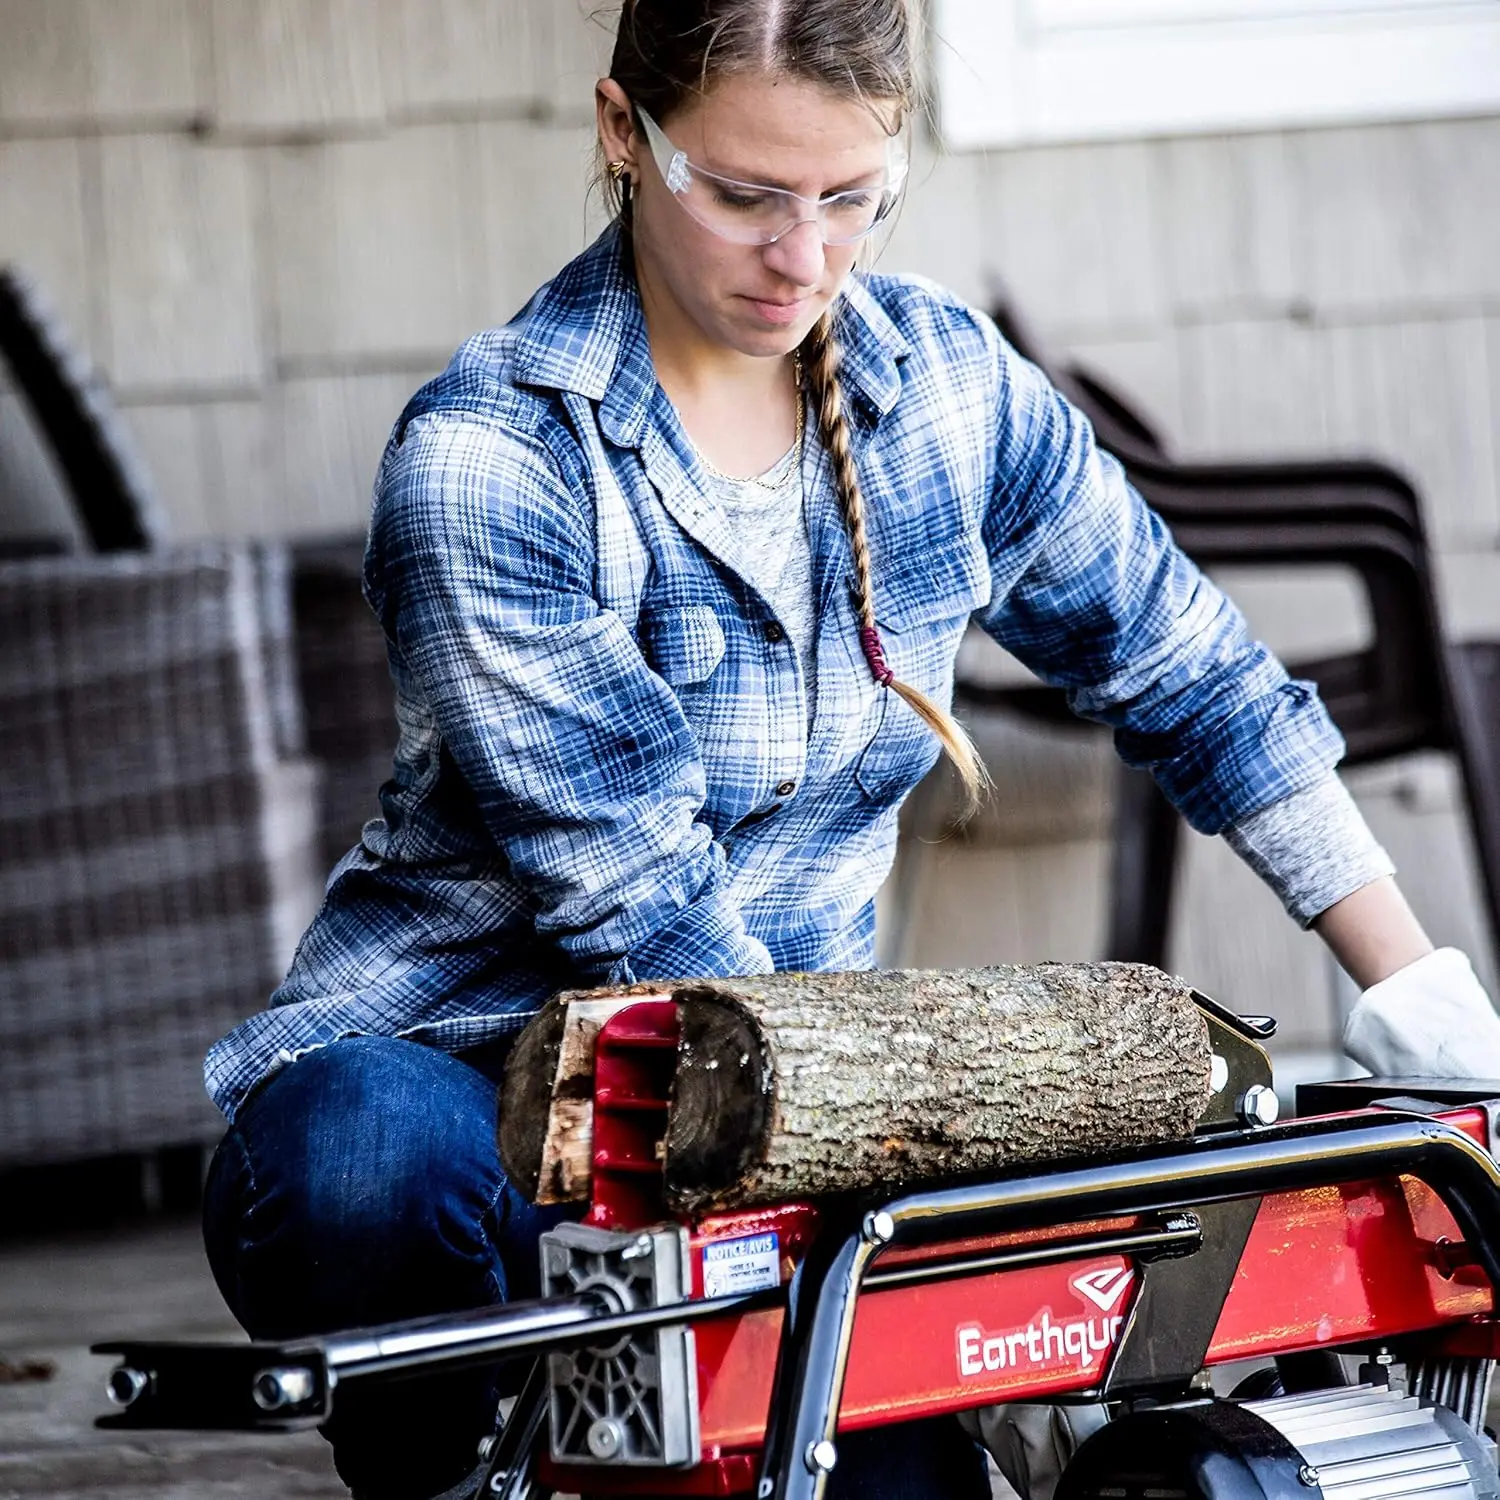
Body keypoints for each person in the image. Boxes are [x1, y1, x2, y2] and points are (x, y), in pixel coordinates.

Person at [199, 2, 1500, 1496]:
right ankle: (481, 1445)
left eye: (849, 201)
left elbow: (1190, 665)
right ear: (625, 133)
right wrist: (892, 1191)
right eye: (746, 195)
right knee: (361, 1160)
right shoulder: (496, 457)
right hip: (481, 1085)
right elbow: (640, 901)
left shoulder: (944, 387)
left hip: (799, 1077)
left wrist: (1415, 993)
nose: (801, 260)